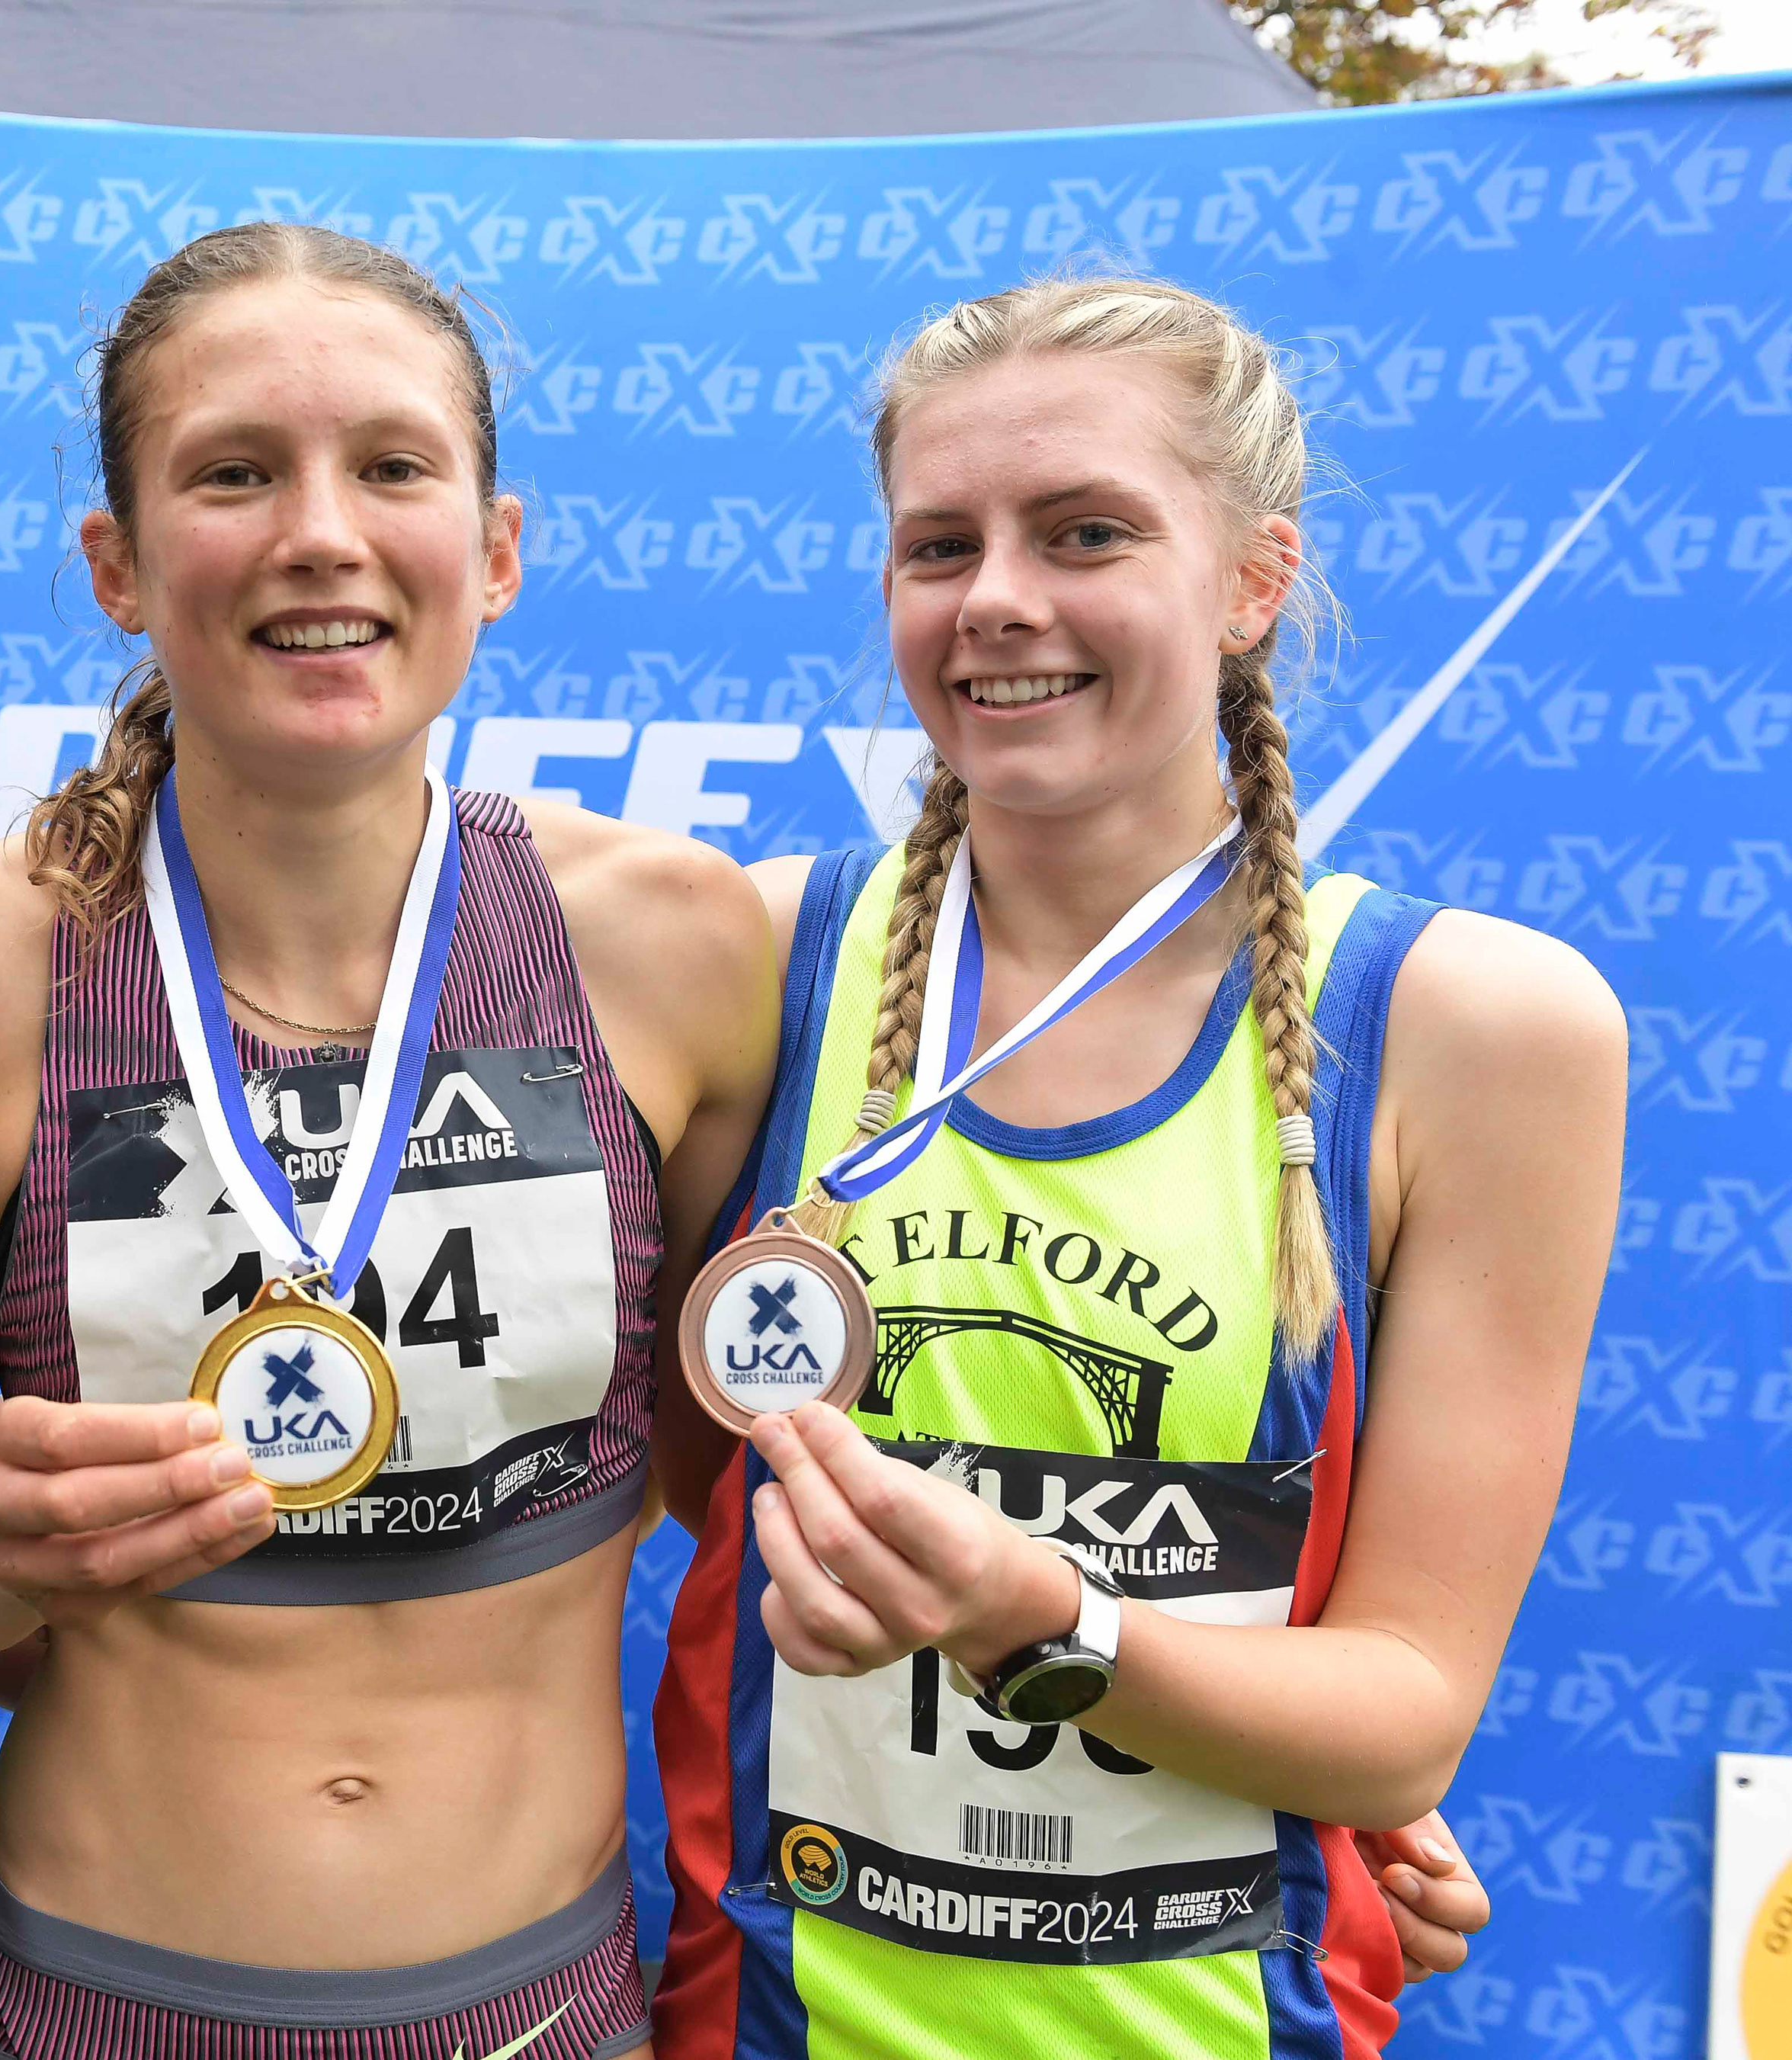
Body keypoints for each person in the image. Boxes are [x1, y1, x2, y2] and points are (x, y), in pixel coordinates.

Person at [0, 220, 783, 2058]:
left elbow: (752, 1491)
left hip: (542, 2004)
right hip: (101, 2006)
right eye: (235, 472)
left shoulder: (677, 946)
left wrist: (1261, 1777)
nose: (319, 532)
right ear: (118, 563)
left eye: (393, 466)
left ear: (497, 548)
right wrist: (5, 1551)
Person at [652, 276, 1624, 2058]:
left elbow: (1404, 1705)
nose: (998, 597)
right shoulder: (752, 957)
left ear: (1254, 580)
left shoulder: (1473, 1027)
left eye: (1086, 529)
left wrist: (1058, 1627)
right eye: (937, 545)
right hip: (772, 2013)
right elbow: (680, 1467)